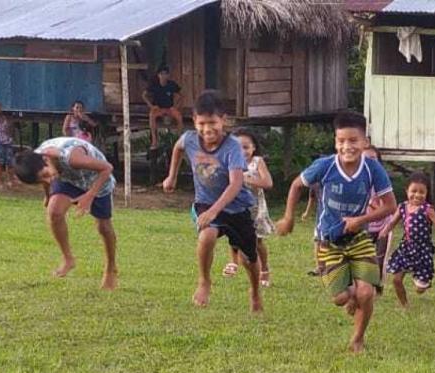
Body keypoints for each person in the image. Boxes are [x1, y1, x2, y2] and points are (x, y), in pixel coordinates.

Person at [275, 111, 395, 353]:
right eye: (341, 141)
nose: (347, 146)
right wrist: (288, 217)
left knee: (367, 292)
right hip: (328, 241)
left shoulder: (372, 169)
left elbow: (390, 206)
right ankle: (350, 296)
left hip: (359, 239)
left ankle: (358, 338)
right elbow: (297, 185)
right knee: (340, 297)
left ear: (365, 142)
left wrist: (360, 219)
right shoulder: (325, 166)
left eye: (353, 141)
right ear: (335, 142)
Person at [163, 91, 261, 312]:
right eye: (202, 123)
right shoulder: (189, 139)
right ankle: (204, 281)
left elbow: (236, 184)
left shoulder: (232, 146)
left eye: (213, 123)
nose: (207, 129)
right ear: (195, 121)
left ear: (223, 120)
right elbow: (178, 149)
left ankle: (255, 292)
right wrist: (172, 176)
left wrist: (216, 211)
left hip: (236, 207)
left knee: (249, 258)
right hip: (205, 202)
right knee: (207, 234)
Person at [13, 137, 118, 290]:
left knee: (104, 228)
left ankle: (110, 269)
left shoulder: (72, 157)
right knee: (54, 212)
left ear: (46, 159)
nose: (48, 180)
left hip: (97, 179)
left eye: (45, 174)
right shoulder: (36, 159)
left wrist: (89, 196)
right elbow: (44, 178)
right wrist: (48, 195)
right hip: (68, 179)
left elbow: (107, 168)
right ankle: (68, 259)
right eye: (42, 179)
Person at [379, 172, 435, 307]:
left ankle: (422, 282)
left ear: (427, 193)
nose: (417, 195)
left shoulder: (427, 210)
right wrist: (384, 232)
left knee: (420, 289)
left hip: (423, 251)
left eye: (422, 192)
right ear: (406, 191)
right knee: (396, 279)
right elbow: (392, 223)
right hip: (406, 248)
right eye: (413, 191)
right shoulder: (402, 207)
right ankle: (405, 306)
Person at [221, 128, 275, 287]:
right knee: (233, 237)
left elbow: (268, 183)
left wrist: (247, 179)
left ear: (253, 148)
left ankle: (264, 269)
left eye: (246, 147)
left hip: (255, 209)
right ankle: (234, 263)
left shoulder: (257, 162)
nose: (242, 151)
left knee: (257, 241)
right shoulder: (229, 162)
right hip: (235, 207)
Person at [363, 146, 394, 288]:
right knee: (364, 257)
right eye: (366, 158)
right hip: (365, 226)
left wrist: (371, 204)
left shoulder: (382, 181)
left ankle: (378, 287)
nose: (369, 161)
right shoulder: (356, 181)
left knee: (380, 258)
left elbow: (388, 207)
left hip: (384, 226)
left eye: (373, 158)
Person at [144, 65, 184, 149]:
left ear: (168, 75)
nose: (163, 76)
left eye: (165, 74)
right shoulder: (154, 84)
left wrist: (176, 106)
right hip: (158, 109)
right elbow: (144, 95)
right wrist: (151, 106)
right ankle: (154, 141)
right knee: (152, 116)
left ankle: (180, 139)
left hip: (169, 108)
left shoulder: (171, 84)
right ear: (158, 75)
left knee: (179, 117)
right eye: (161, 74)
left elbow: (181, 95)